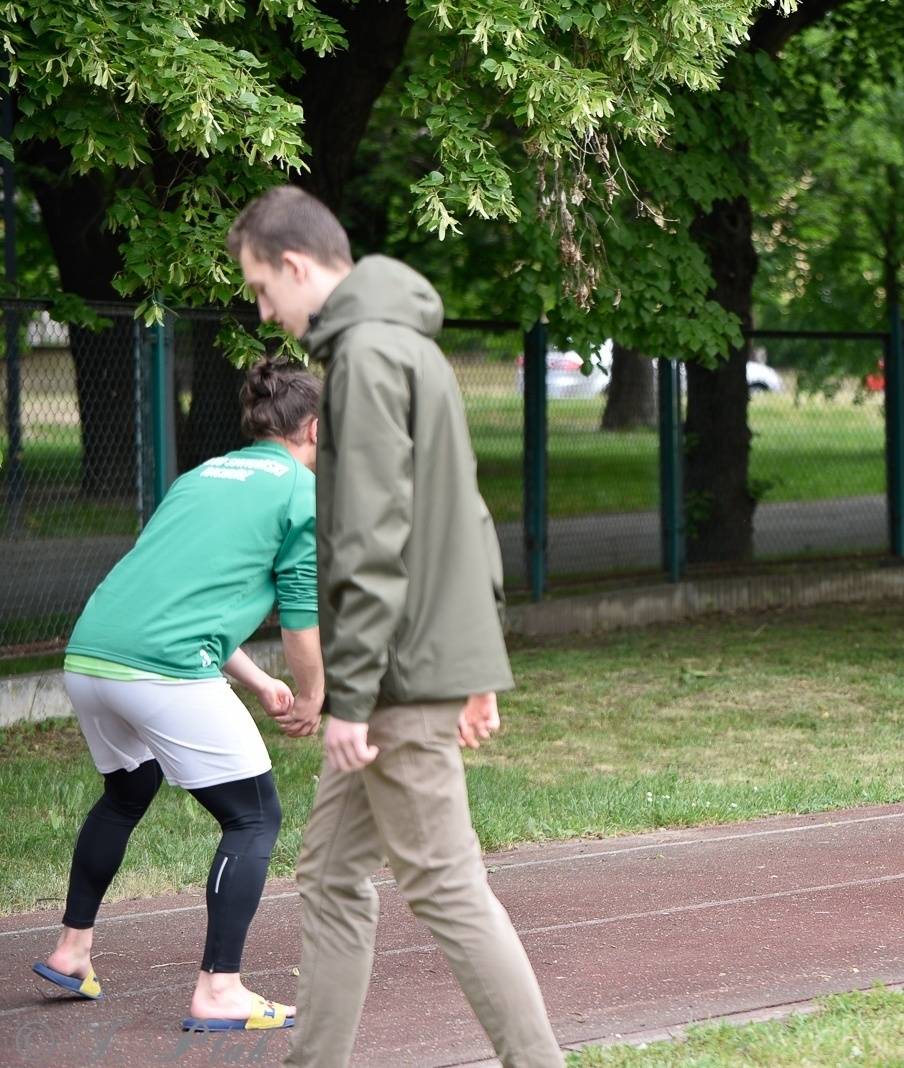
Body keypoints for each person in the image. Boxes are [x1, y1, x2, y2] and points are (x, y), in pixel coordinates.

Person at [226, 185, 565, 1068]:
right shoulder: (410, 347)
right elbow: (469, 517)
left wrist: (353, 698)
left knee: (447, 888)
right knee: (332, 876)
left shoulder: (370, 358)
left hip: (395, 680)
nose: (266, 310)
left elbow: (373, 541)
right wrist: (475, 664)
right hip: (417, 663)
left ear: (297, 266)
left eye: (263, 288)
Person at [34, 358, 324, 1029]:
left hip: (91, 654)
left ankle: (72, 952)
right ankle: (220, 990)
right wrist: (311, 696)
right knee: (253, 817)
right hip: (161, 670)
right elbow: (301, 619)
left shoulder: (202, 476)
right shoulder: (299, 492)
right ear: (312, 428)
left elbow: (175, 596)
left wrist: (257, 681)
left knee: (129, 789)